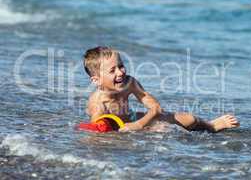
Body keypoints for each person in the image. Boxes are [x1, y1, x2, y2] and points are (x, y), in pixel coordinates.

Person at [83, 46, 239, 132]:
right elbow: (97, 131)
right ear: (96, 80)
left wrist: (139, 124)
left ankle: (211, 126)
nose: (120, 72)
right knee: (162, 130)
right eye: (112, 70)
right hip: (118, 128)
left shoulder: (129, 83)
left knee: (189, 119)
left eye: (121, 66)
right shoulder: (97, 103)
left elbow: (156, 108)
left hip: (132, 119)